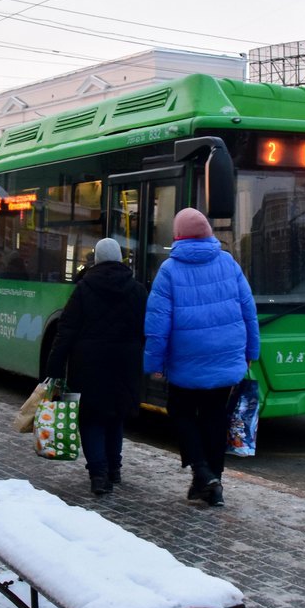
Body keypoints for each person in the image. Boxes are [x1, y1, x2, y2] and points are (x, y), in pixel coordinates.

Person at [144, 208, 260, 507]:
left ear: (178, 235)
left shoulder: (169, 270)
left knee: (181, 411)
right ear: (208, 233)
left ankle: (202, 471)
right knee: (214, 415)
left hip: (186, 358)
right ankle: (213, 483)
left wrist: (154, 363)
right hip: (226, 356)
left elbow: (158, 323)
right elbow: (249, 312)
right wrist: (252, 352)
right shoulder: (228, 263)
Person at [45, 237, 147, 495]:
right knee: (115, 418)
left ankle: (99, 476)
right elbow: (145, 329)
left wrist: (54, 367)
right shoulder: (137, 290)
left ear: (97, 260)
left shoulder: (84, 288)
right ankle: (114, 469)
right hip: (125, 364)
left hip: (88, 365)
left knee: (91, 420)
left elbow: (65, 331)